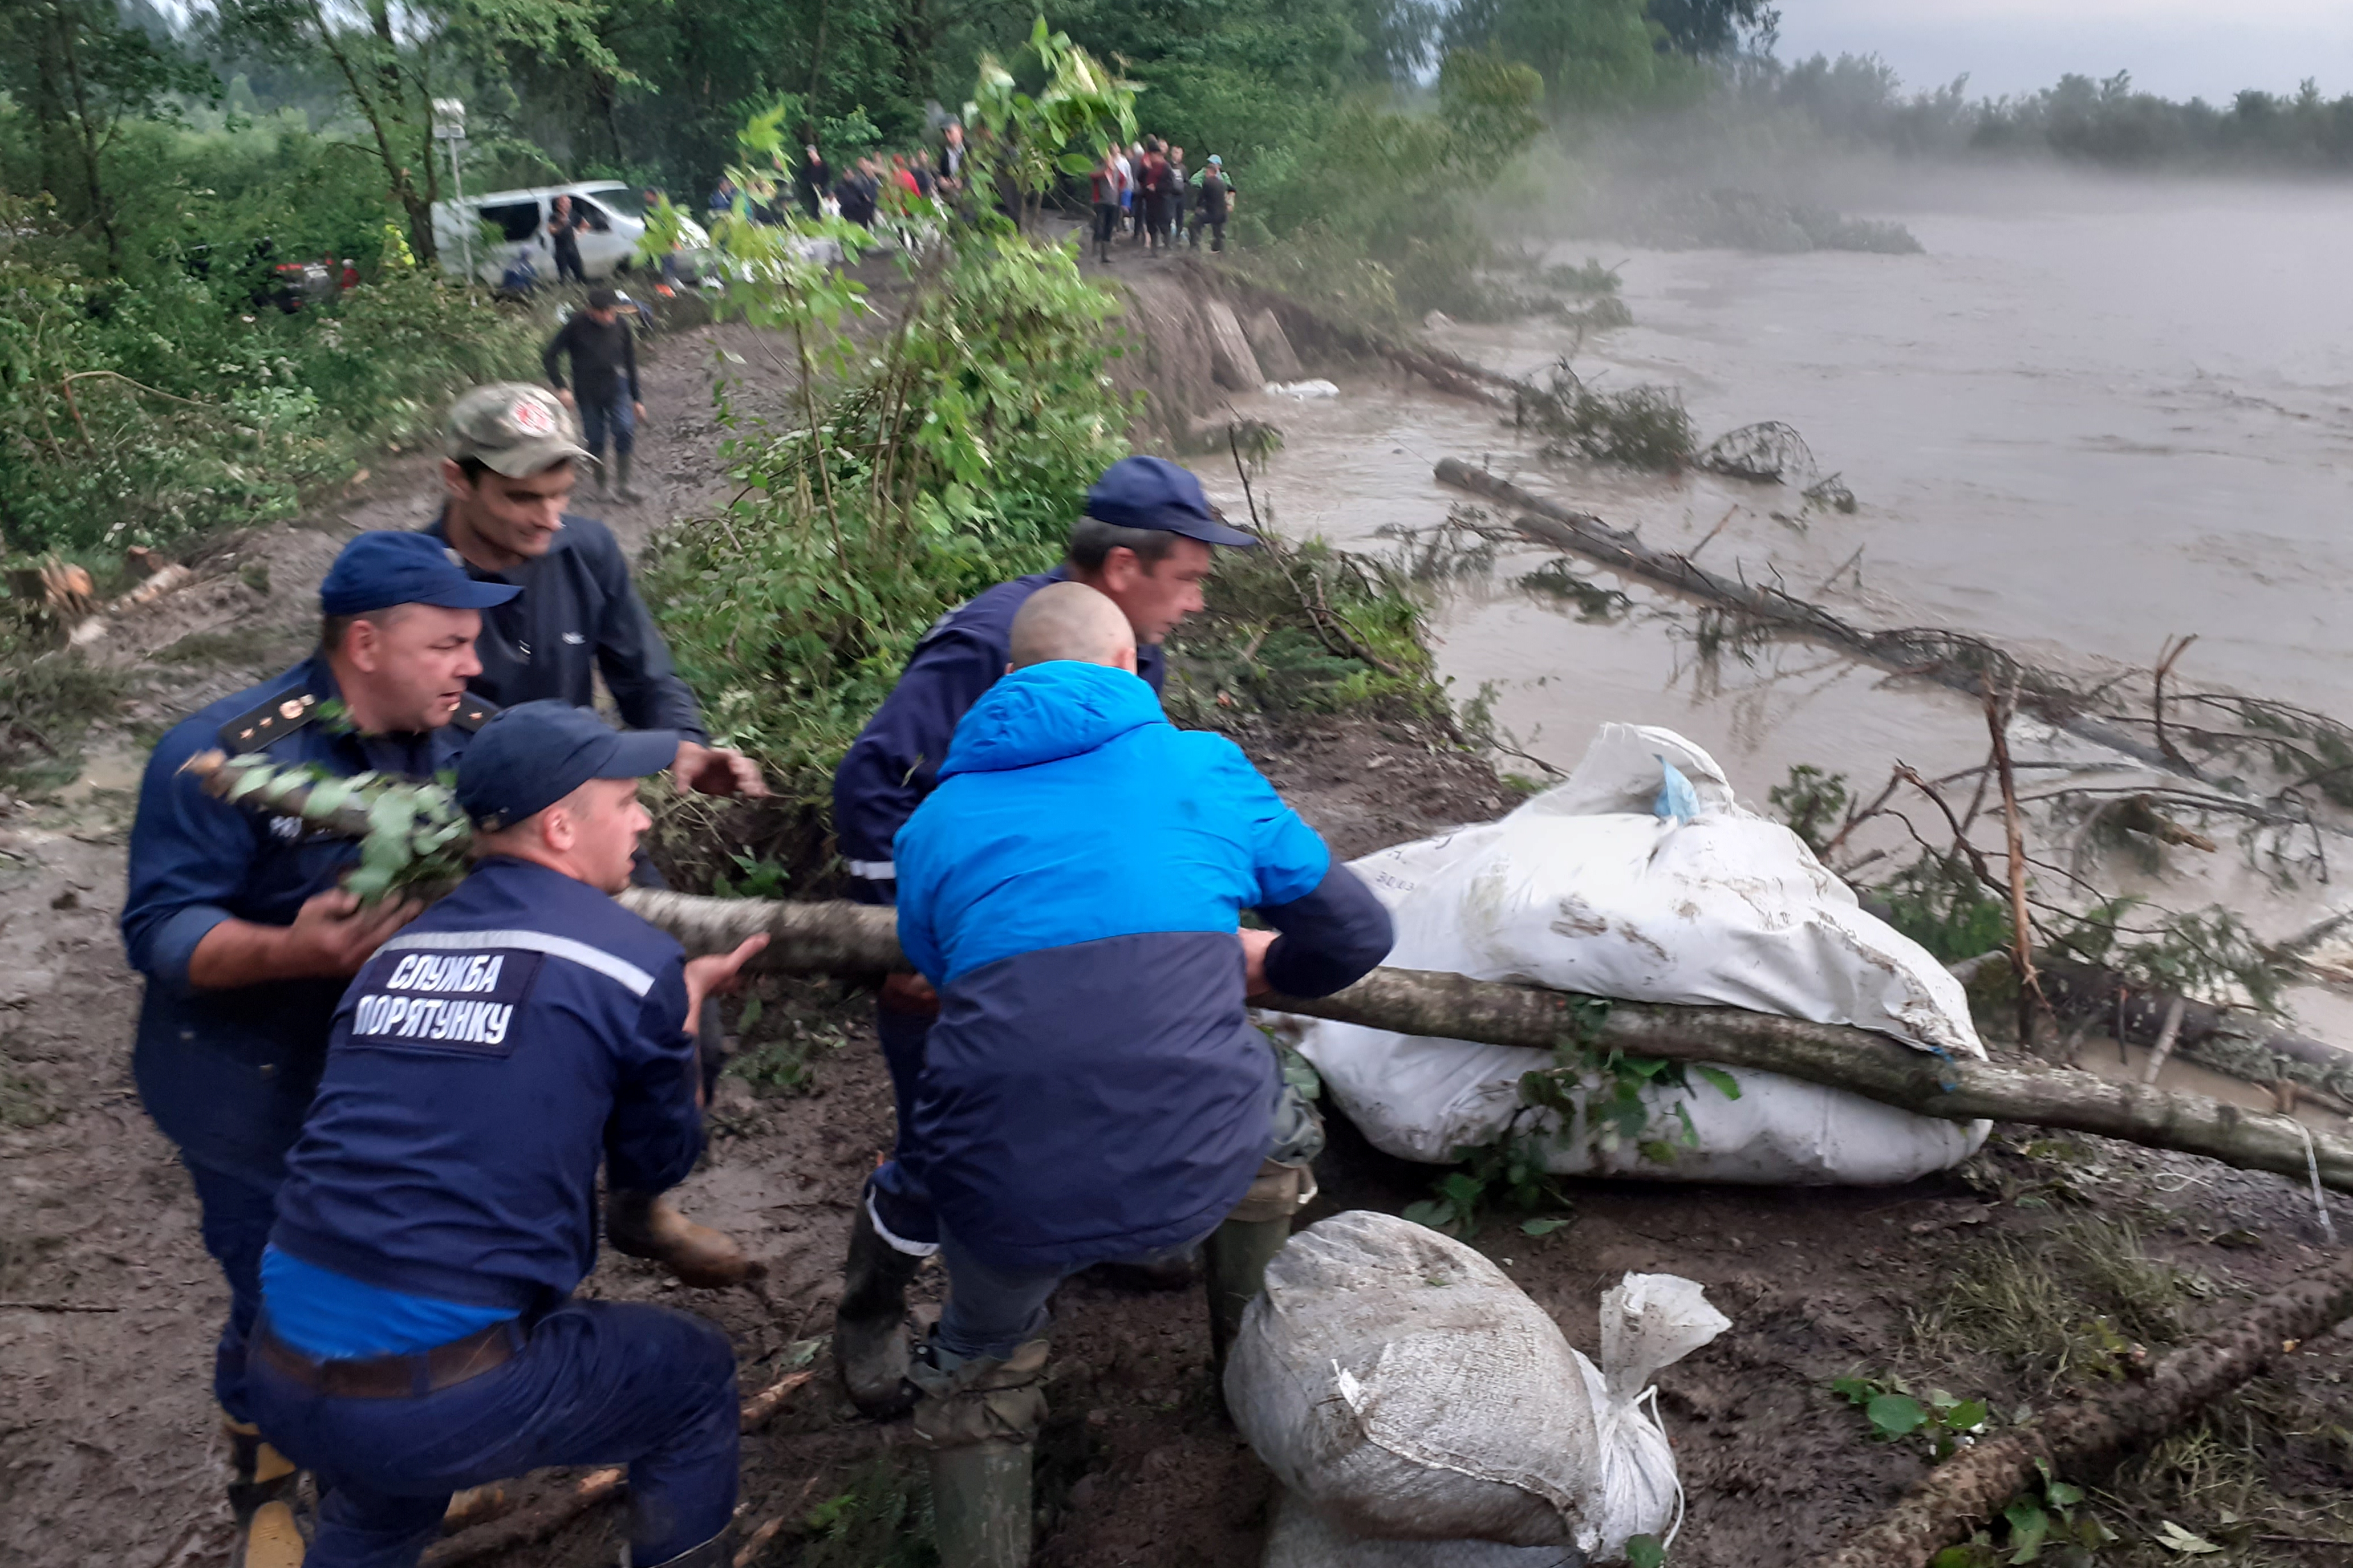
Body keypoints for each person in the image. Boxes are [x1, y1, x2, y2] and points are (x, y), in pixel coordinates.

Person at [893, 583, 1394, 1567]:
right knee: (1279, 1107)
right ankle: (1242, 1369)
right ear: (1128, 669)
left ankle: (981, 1425)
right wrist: (1261, 968)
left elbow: (955, 977)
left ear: (1007, 681)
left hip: (1005, 1188)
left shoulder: (937, 821)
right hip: (1200, 1163)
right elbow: (1358, 931)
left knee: (980, 1359)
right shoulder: (1203, 764)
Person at [245, 701, 769, 1568]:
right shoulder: (627, 958)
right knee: (692, 1374)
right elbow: (657, 1160)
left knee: (381, 1496)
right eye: (626, 802)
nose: (641, 820)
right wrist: (679, 1026)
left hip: (282, 1369)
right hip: (440, 1398)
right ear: (561, 825)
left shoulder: (394, 953)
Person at [827, 456, 1258, 1416]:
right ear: (1118, 567)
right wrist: (900, 943)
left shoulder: (1128, 649)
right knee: (947, 1150)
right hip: (963, 945)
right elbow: (873, 779)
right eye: (1186, 578)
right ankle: (870, 1308)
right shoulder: (990, 645)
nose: (1194, 602)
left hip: (1052, 929)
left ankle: (1102, 1239)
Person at [122, 531, 520, 1568]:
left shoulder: (480, 740)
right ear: (365, 642)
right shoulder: (227, 753)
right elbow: (161, 933)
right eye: (447, 645)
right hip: (248, 1080)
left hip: (410, 1084)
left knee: (414, 1270)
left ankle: (393, 1465)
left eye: (472, 644)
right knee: (278, 1293)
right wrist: (292, 950)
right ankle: (265, 1485)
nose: (471, 666)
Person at [424, 384, 766, 806]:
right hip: (452, 802)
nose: (549, 519)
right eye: (522, 498)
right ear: (458, 480)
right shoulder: (409, 580)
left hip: (575, 790)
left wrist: (687, 744)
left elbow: (645, 677)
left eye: (561, 493)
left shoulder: (587, 552)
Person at [542, 287, 643, 501]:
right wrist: (561, 387)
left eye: (612, 312)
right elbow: (550, 356)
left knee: (625, 431)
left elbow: (631, 362)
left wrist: (637, 399)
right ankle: (602, 486)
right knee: (596, 439)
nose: (608, 317)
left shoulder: (621, 326)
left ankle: (624, 485)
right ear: (591, 311)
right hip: (587, 392)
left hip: (616, 387)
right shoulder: (575, 326)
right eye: (603, 313)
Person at [1191, 155, 1233, 253]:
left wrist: (1198, 207)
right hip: (1222, 213)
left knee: (1194, 223)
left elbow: (1201, 197)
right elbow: (1232, 190)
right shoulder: (1223, 183)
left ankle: (1195, 247)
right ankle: (1219, 251)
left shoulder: (1211, 181)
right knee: (1219, 231)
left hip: (1212, 211)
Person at [1138, 137, 1173, 254]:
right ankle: (1154, 250)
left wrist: (1156, 187)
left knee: (1164, 225)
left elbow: (1170, 185)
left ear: (1158, 154)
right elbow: (1140, 178)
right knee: (1150, 225)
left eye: (1152, 155)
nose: (1151, 158)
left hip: (1162, 200)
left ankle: (1168, 248)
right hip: (1149, 200)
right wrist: (1145, 168)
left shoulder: (1166, 167)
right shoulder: (1148, 166)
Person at [1089, 147, 1122, 264]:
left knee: (1109, 227)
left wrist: (1119, 190)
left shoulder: (1116, 169)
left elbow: (1123, 179)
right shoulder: (1098, 167)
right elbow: (1092, 175)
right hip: (1100, 201)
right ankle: (1095, 251)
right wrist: (1105, 172)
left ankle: (1105, 255)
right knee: (1099, 225)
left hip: (1113, 201)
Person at [546, 193, 588, 285]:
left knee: (580, 273)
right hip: (561, 250)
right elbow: (551, 230)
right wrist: (560, 225)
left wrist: (578, 233)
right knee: (564, 276)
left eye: (569, 202)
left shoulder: (573, 214)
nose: (569, 204)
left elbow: (585, 225)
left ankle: (581, 288)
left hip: (573, 249)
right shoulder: (554, 216)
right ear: (559, 205)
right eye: (566, 203)